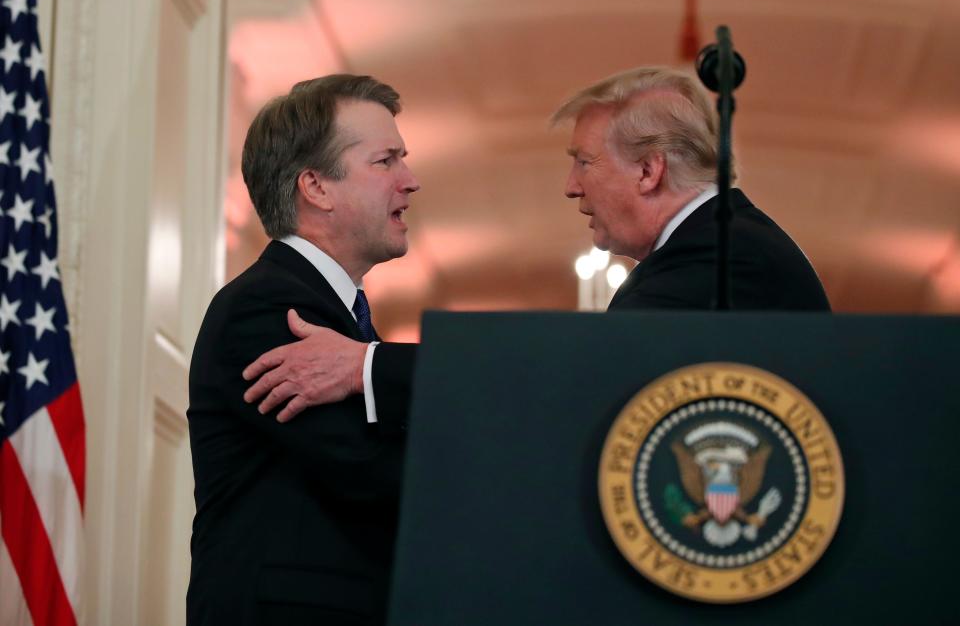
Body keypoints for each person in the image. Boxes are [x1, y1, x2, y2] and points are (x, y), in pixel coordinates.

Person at [240, 65, 830, 423]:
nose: (572, 187)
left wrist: (366, 368)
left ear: (649, 172)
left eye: (583, 162)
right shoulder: (717, 243)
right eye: (384, 159)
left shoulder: (721, 255)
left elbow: (577, 367)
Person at [187, 74, 419, 625]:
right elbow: (370, 470)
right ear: (316, 187)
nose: (410, 180)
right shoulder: (268, 309)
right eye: (385, 161)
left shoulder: (336, 319)